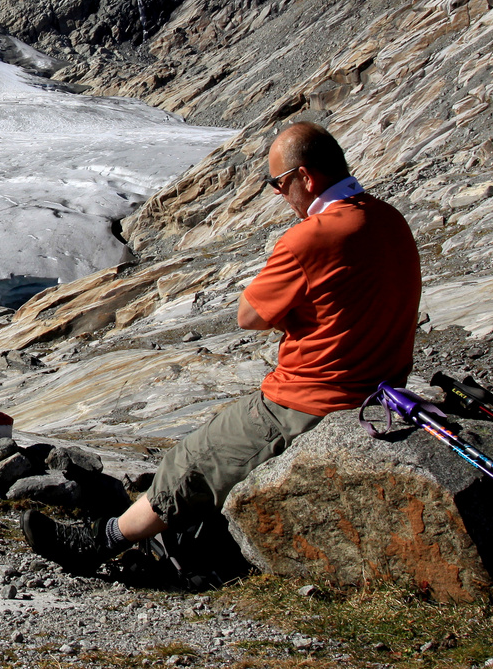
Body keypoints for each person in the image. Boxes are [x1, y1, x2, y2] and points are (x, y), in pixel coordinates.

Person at [21, 121, 422, 572]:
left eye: (279, 184)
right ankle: (173, 543)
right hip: (383, 393)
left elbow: (249, 315)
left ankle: (100, 543)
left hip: (312, 400)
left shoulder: (312, 236)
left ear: (305, 179)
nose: (278, 195)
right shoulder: (389, 218)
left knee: (191, 460)